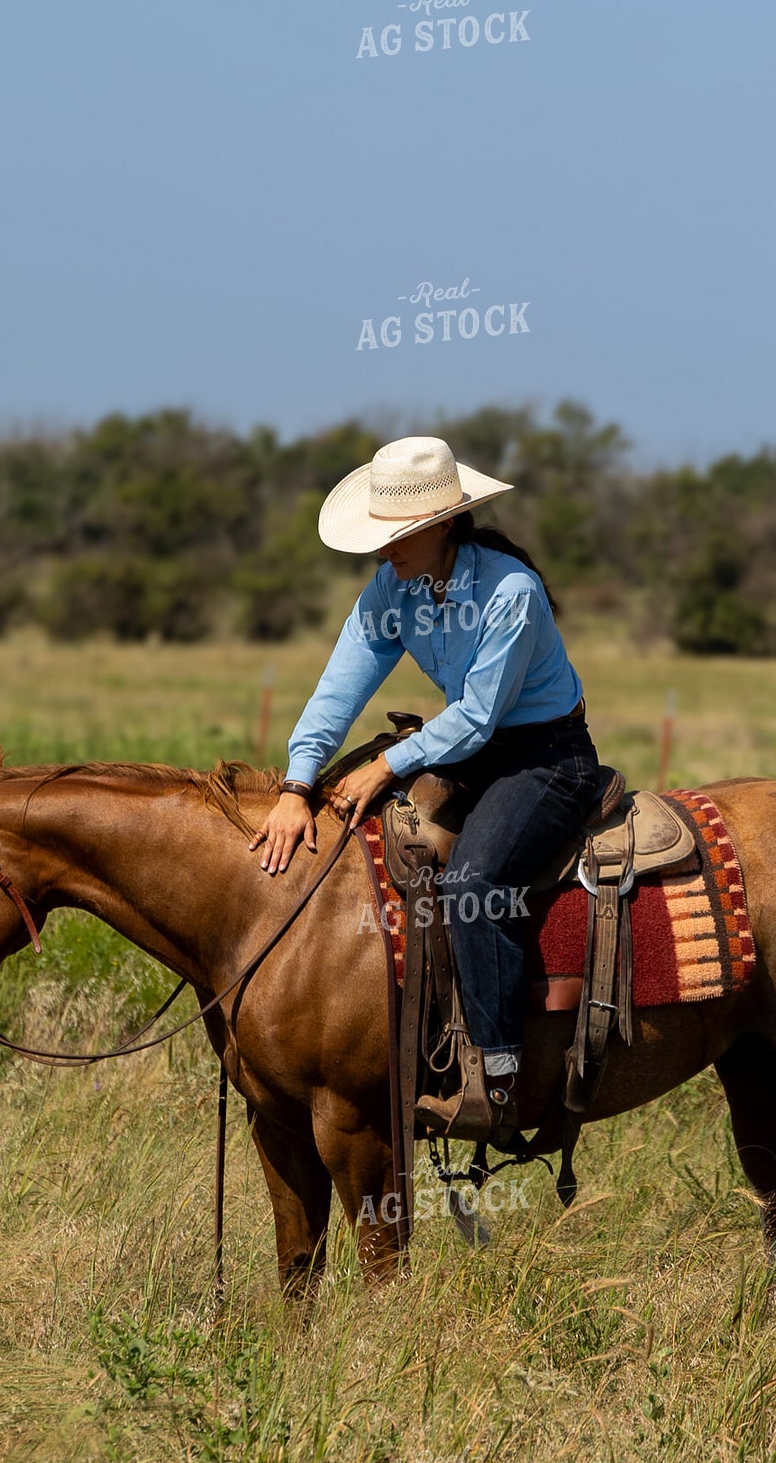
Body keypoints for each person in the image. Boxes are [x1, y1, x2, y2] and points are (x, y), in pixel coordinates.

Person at [250, 435, 601, 1143]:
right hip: (466, 753)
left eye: (400, 535)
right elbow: (338, 688)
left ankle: (498, 1078)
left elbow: (477, 715)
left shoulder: (511, 591)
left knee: (474, 883)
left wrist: (387, 765)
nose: (385, 550)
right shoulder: (392, 589)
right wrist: (295, 783)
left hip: (544, 761)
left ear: (444, 524)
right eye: (382, 535)